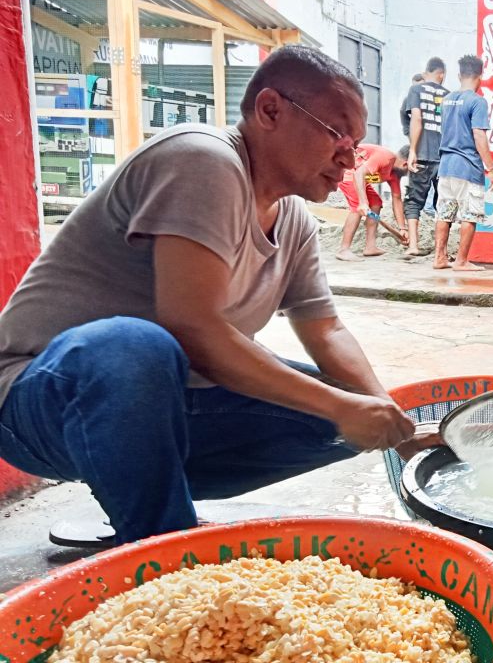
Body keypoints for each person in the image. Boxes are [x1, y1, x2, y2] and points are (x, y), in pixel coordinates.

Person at [0, 45, 435, 546]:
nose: (348, 155)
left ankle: (143, 501)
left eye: (355, 142)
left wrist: (388, 421)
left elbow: (326, 328)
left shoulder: (294, 221)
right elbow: (192, 326)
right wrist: (342, 406)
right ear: (270, 110)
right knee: (134, 345)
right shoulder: (202, 159)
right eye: (337, 132)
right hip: (37, 400)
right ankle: (165, 548)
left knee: (341, 416)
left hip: (159, 408)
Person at [434, 54, 493, 272]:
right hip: (467, 166)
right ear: (480, 76)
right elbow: (479, 136)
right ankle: (461, 261)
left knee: (444, 212)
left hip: (445, 165)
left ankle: (440, 258)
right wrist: (491, 169)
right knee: (470, 214)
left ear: (458, 75)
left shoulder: (447, 100)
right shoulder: (477, 101)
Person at [402, 57, 449, 257]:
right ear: (442, 74)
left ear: (426, 72)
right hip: (443, 157)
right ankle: (441, 251)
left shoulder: (416, 90)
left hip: (422, 153)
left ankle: (413, 245)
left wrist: (412, 149)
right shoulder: (449, 95)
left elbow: (415, 119)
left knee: (414, 201)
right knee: (443, 203)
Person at [335, 142, 408, 262]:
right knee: (357, 207)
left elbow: (397, 199)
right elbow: (358, 174)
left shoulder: (394, 174)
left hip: (361, 178)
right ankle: (344, 250)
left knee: (376, 203)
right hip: (349, 172)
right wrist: (363, 202)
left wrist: (402, 228)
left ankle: (370, 247)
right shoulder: (385, 158)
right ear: (405, 163)